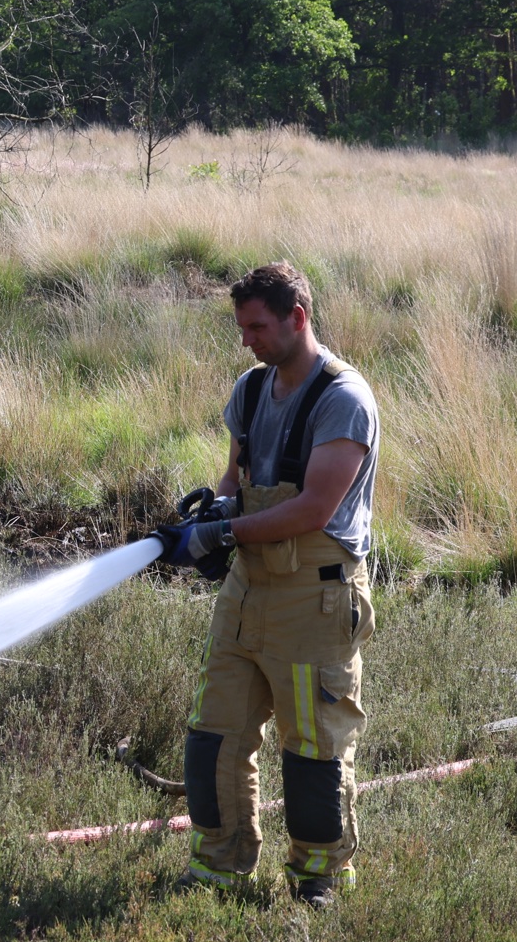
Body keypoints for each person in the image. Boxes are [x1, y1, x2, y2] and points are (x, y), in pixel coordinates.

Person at [155, 261, 380, 907]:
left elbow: (314, 509)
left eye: (256, 327)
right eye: (241, 327)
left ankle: (320, 879)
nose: (246, 340)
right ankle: (218, 871)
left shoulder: (344, 400)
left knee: (313, 751)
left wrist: (225, 535)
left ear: (297, 319)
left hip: (315, 597)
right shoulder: (251, 392)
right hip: (249, 592)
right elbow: (235, 479)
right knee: (213, 737)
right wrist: (218, 512)